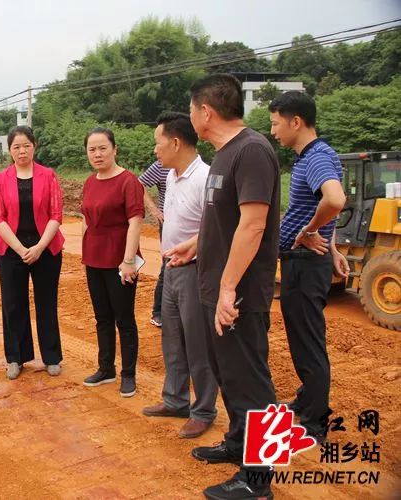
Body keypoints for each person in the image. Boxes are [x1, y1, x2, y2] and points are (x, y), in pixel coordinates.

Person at [165, 74, 280, 499]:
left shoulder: (250, 152)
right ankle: (238, 443)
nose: (191, 115)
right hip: (215, 285)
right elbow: (225, 220)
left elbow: (253, 225)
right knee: (230, 375)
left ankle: (259, 481)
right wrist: (194, 246)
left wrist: (229, 288)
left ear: (205, 112)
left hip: (240, 293)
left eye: (192, 109)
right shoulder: (227, 154)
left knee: (252, 380)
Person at [269, 91, 347, 442]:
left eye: (275, 123)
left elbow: (335, 200)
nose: (273, 131)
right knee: (303, 338)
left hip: (304, 264)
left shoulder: (316, 157)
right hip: (304, 261)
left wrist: (310, 231)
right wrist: (329, 241)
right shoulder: (311, 157)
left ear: (295, 121)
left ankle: (314, 422)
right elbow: (324, 203)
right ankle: (306, 401)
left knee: (308, 343)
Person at [140, 112, 217, 439]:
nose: (155, 150)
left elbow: (218, 228)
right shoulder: (171, 176)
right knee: (172, 338)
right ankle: (175, 400)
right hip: (169, 268)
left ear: (175, 142)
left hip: (195, 270)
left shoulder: (207, 177)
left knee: (198, 343)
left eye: (158, 143)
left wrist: (193, 249)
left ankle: (204, 410)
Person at [0, 126, 65, 380]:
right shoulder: (0, 179)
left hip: (46, 247)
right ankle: (15, 358)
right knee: (13, 304)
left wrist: (40, 246)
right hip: (12, 250)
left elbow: (56, 214)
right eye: (16, 147)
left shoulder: (48, 175)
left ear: (35, 146)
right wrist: (21, 249)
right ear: (9, 150)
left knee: (47, 302)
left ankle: (52, 357)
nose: (21, 151)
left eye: (26, 146)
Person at [81, 127, 144, 398]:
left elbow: (135, 221)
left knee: (124, 319)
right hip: (94, 258)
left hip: (121, 260)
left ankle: (128, 373)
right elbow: (86, 219)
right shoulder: (89, 182)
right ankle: (105, 367)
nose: (97, 154)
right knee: (102, 318)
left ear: (114, 149)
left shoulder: (129, 181)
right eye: (92, 149)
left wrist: (128, 260)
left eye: (102, 148)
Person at [138, 159, 172, 327]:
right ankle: (158, 312)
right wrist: (153, 209)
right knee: (169, 263)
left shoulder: (196, 164)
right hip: (168, 222)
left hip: (191, 222)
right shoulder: (161, 164)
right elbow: (139, 184)